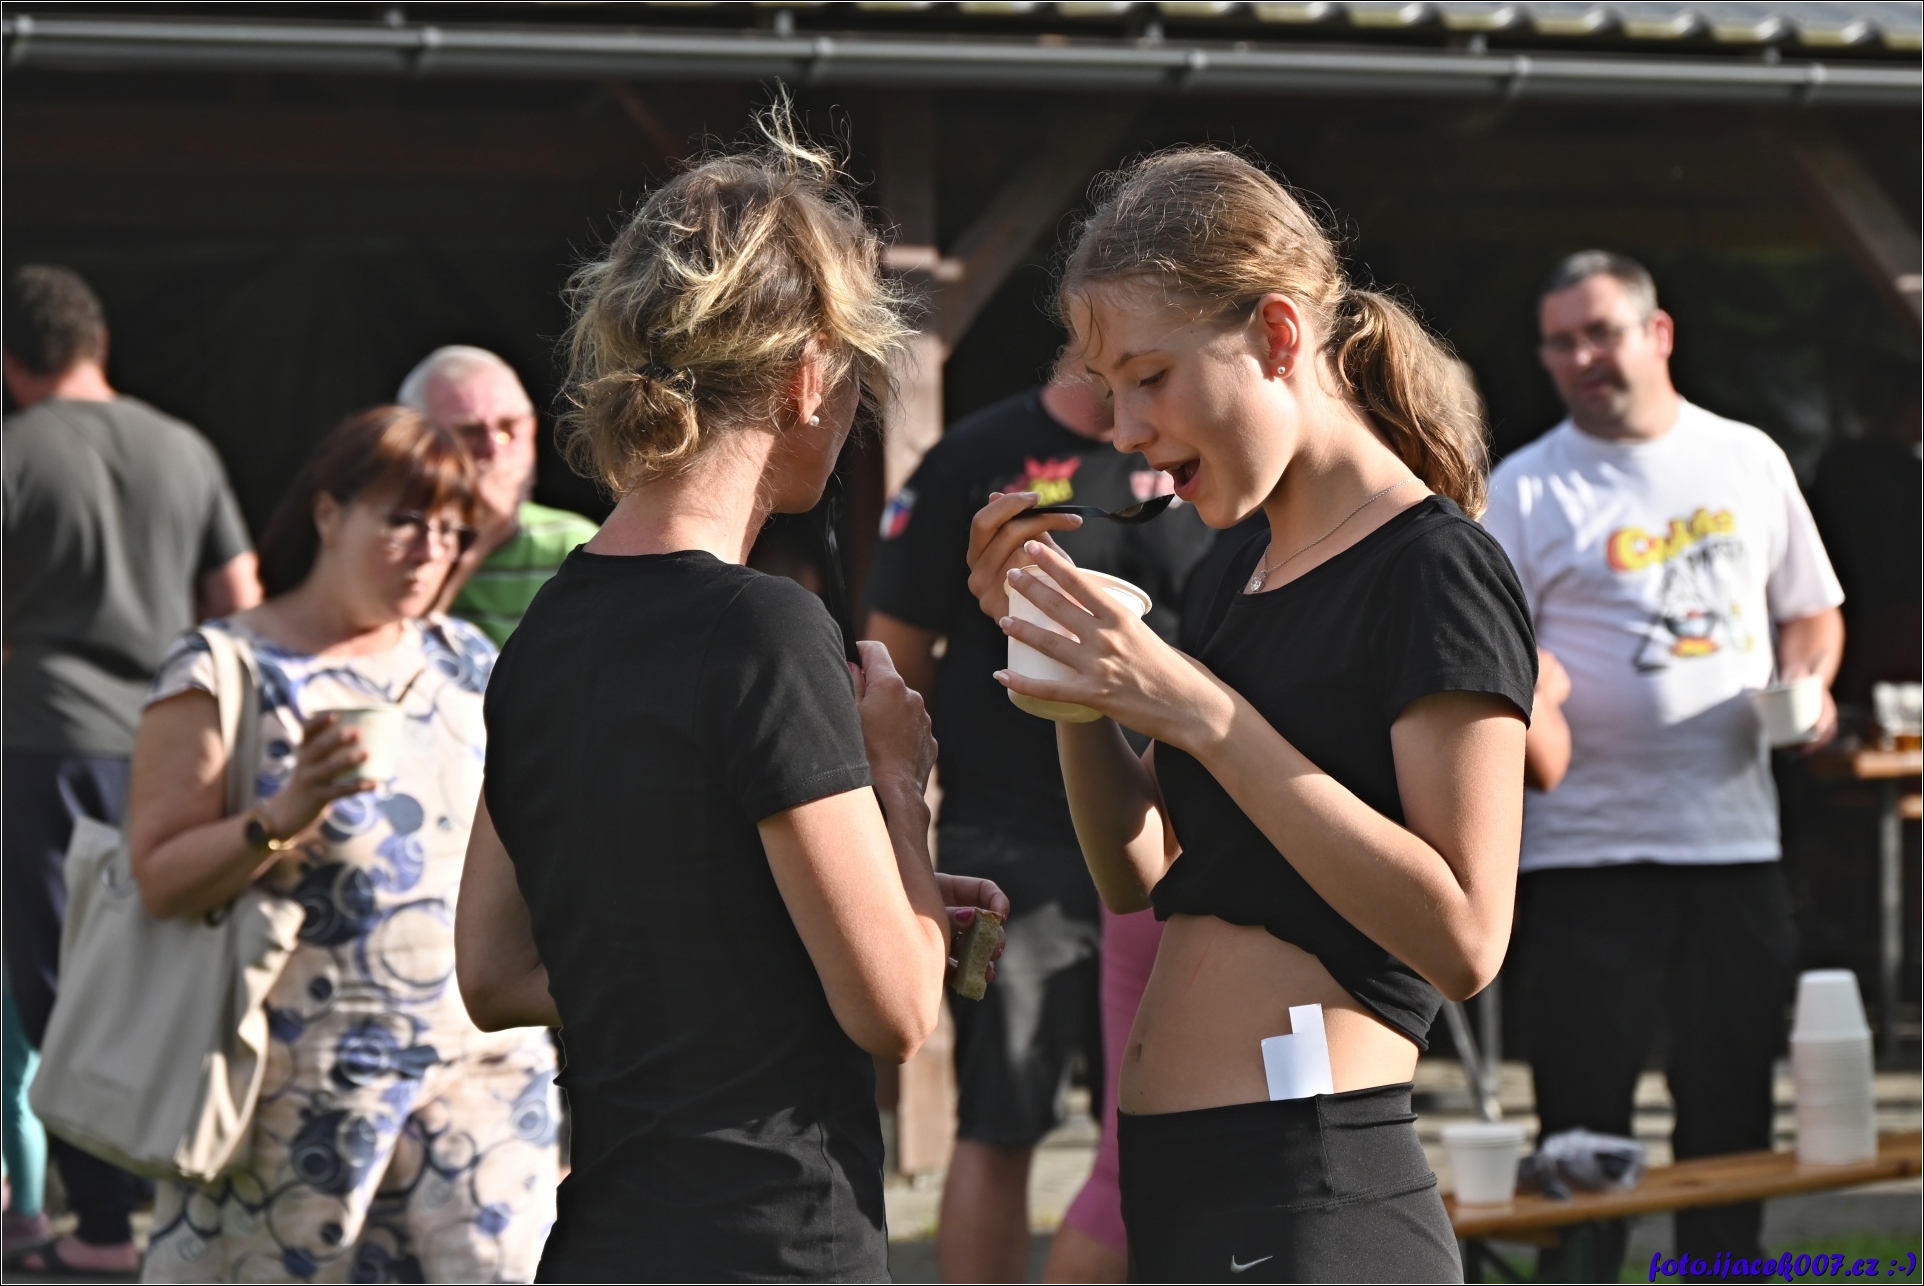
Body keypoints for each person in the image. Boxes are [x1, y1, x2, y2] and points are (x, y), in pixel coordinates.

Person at [454, 106, 1008, 1282]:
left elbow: (493, 970)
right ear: (807, 378)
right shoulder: (764, 628)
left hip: (602, 1243)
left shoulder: (544, 629)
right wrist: (897, 784)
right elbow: (898, 1009)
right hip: (772, 1241)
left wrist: (778, 933)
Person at [971, 148, 1536, 1282]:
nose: (1124, 429)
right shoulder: (1242, 562)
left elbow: (1467, 938)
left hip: (1314, 1187)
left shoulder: (1434, 568)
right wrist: (1073, 678)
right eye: (1109, 390)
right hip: (1191, 1186)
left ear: (1279, 336)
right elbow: (1138, 873)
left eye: (1150, 377)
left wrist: (1200, 711)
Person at [132, 406, 561, 1283]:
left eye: (451, 530)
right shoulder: (225, 668)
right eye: (404, 520)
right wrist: (282, 814)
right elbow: (159, 878)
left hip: (476, 1074)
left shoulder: (465, 659)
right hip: (292, 1094)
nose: (430, 550)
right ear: (328, 513)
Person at [1482, 250, 1846, 1280]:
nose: (1581, 358)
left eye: (1600, 333)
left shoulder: (1745, 458)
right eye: (1560, 342)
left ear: (1658, 334)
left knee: (1730, 1108)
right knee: (1583, 1121)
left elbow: (1810, 609)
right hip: (1583, 851)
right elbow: (1489, 658)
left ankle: (1721, 1274)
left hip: (1732, 840)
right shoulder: (1525, 486)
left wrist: (1808, 682)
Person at [865, 376, 1212, 1284]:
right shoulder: (973, 457)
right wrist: (893, 835)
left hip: (1180, 837)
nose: (1131, 392)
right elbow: (893, 668)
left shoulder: (1200, 453)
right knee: (1000, 1119)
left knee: (1161, 1134)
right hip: (1013, 840)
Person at [2, 264, 261, 1278]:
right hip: (174, 741)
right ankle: (179, 1184)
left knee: (60, 977)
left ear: (11, 361)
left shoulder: (16, 452)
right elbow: (239, 600)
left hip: (45, 742)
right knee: (168, 964)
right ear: (99, 345)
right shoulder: (184, 448)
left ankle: (103, 1222)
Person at [397, 345, 599, 646]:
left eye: (509, 428)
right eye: (470, 431)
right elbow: (395, 656)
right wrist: (475, 541)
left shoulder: (574, 546)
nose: (494, 448)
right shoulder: (394, 544)